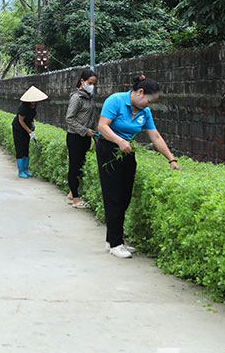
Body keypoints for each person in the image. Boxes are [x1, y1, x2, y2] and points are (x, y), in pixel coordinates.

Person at [95, 74, 180, 258]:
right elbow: (102, 126)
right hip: (109, 149)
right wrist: (119, 141)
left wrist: (171, 159)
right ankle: (116, 244)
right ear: (140, 92)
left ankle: (113, 239)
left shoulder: (144, 112)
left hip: (127, 150)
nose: (148, 105)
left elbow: (155, 136)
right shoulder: (115, 100)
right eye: (148, 100)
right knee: (113, 196)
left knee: (125, 196)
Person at [64, 69, 99, 208]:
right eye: (90, 83)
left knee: (80, 166)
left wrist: (95, 136)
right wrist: (85, 131)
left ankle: (72, 193)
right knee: (74, 166)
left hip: (86, 137)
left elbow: (92, 118)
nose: (92, 86)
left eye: (94, 84)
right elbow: (69, 119)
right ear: (82, 81)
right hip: (75, 136)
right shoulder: (76, 98)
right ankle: (76, 200)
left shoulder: (89, 98)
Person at [13, 86, 47, 178]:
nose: (34, 101)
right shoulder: (23, 106)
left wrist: (32, 125)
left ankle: (26, 169)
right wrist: (29, 131)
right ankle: (21, 171)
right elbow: (21, 120)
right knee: (20, 148)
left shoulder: (34, 105)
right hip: (18, 128)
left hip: (27, 127)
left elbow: (31, 117)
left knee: (26, 148)